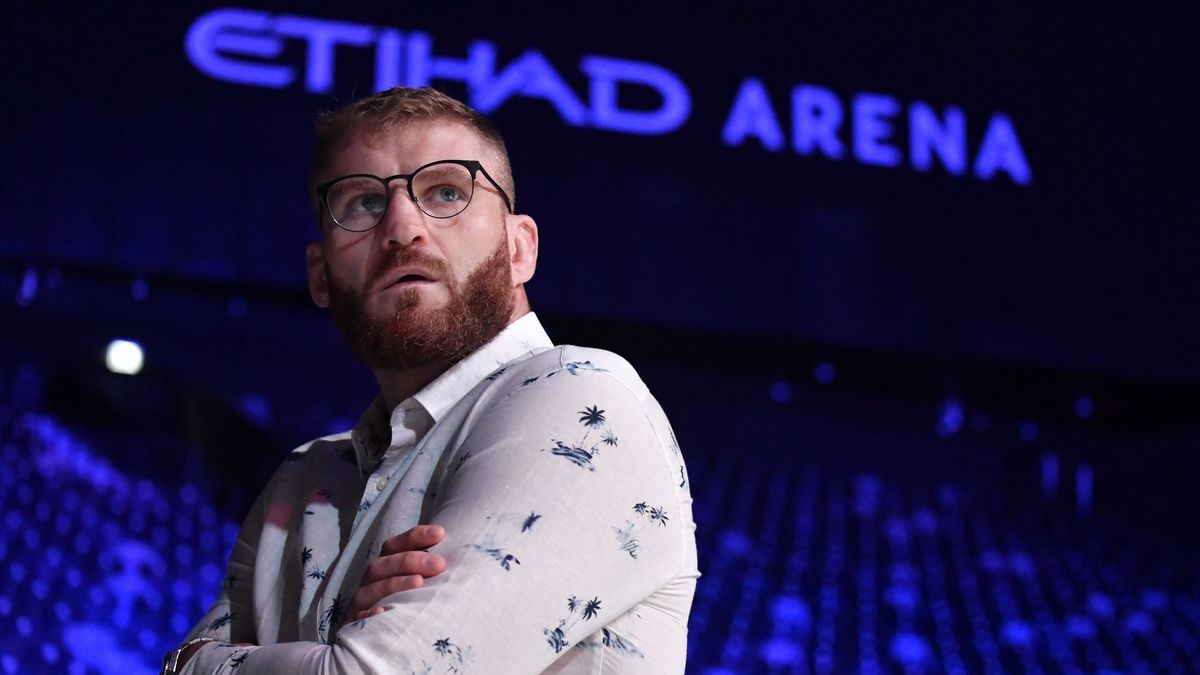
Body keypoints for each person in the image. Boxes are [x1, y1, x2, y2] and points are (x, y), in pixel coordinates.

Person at [165, 86, 698, 674]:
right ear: (319, 275)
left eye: (446, 191)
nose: (402, 227)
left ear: (520, 248)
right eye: (364, 202)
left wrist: (193, 663)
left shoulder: (583, 396)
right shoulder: (301, 478)